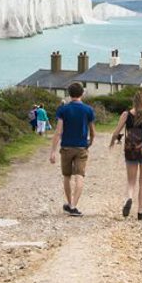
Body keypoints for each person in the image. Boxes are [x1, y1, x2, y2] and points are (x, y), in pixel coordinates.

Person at [109, 90, 142, 220]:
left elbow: (116, 132)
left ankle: (129, 198)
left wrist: (112, 143)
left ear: (134, 102)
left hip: (130, 149)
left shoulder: (126, 114)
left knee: (131, 181)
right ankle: (140, 212)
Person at [48, 83, 96, 216]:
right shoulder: (88, 110)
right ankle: (74, 205)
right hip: (81, 147)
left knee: (67, 176)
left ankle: (69, 204)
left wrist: (52, 151)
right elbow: (92, 132)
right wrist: (89, 143)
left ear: (69, 94)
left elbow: (58, 132)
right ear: (82, 93)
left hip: (67, 147)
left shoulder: (63, 110)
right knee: (79, 176)